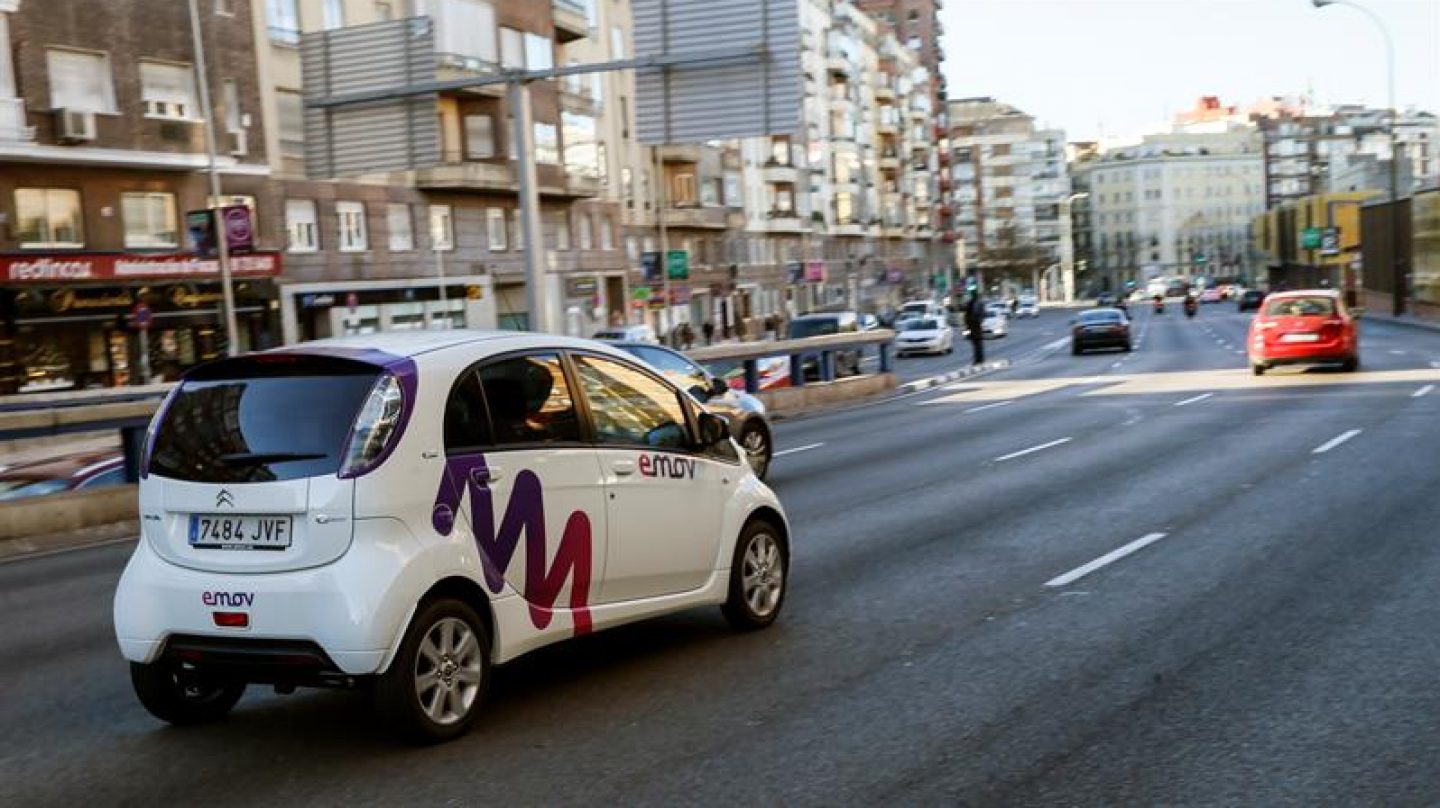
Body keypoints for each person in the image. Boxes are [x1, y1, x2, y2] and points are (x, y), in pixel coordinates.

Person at [963, 292, 985, 365]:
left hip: (974, 325)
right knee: (977, 343)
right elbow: (981, 314)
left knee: (976, 343)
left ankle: (978, 359)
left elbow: (967, 315)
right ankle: (979, 359)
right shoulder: (978, 303)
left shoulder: (973, 303)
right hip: (975, 325)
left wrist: (967, 325)